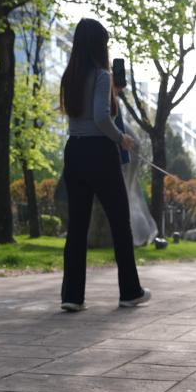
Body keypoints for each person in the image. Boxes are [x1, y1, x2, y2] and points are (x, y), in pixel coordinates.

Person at [58, 18, 149, 312]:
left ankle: (72, 296)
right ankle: (130, 292)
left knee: (77, 227)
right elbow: (99, 116)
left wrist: (113, 95)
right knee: (120, 224)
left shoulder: (69, 77)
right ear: (99, 45)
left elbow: (83, 113)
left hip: (74, 151)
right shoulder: (100, 75)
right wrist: (121, 137)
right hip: (100, 152)